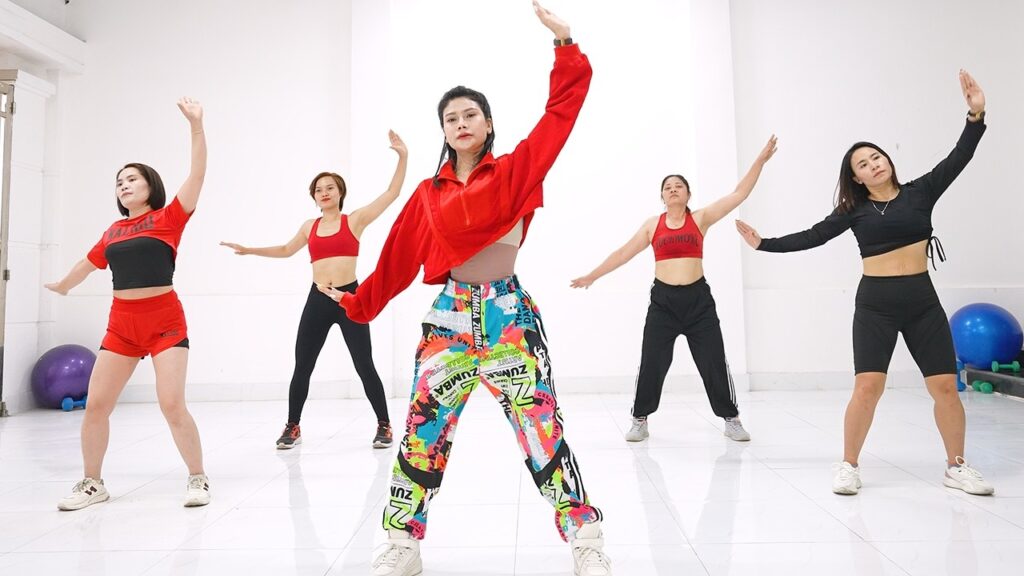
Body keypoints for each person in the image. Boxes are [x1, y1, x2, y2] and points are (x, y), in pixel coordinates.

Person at [319, 3, 610, 574]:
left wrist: (564, 44)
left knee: (541, 429)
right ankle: (401, 543)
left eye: (470, 114)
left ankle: (585, 537)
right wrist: (357, 302)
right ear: (444, 131)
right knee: (421, 432)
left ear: (488, 124)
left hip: (509, 316)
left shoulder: (516, 171)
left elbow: (561, 113)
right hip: (449, 320)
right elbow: (398, 258)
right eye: (450, 118)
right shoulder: (429, 195)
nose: (460, 123)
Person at [735, 70, 994, 496]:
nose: (874, 164)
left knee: (945, 386)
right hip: (876, 304)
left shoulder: (921, 192)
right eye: (863, 164)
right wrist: (764, 244)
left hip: (921, 301)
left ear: (887, 161)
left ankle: (957, 466)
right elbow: (815, 235)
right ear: (856, 177)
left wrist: (975, 114)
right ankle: (849, 465)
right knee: (868, 386)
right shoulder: (852, 210)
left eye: (876, 157)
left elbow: (959, 156)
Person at [45, 98, 211, 510]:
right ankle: (92, 483)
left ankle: (197, 477)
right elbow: (87, 263)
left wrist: (195, 126)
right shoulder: (114, 231)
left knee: (171, 404)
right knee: (96, 406)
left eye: (132, 178)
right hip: (122, 326)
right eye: (119, 181)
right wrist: (64, 285)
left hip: (164, 322)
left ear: (150, 185)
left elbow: (197, 173)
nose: (124, 185)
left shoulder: (169, 217)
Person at [571, 136, 778, 444]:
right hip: (663, 303)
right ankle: (640, 419)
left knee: (713, 360)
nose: (673, 189)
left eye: (678, 185)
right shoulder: (652, 225)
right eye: (667, 187)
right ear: (662, 196)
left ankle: (731, 419)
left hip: (698, 302)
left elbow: (739, 194)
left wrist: (759, 161)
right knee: (652, 362)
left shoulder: (701, 218)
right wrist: (593, 276)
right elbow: (623, 253)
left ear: (688, 194)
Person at [220, 131, 407, 450]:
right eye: (318, 189)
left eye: (329, 187)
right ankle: (292, 426)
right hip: (318, 299)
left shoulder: (355, 220)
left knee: (364, 364)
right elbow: (285, 249)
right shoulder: (310, 226)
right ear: (314, 196)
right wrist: (250, 250)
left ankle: (384, 425)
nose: (324, 193)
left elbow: (392, 193)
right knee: (303, 365)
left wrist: (402, 156)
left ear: (340, 192)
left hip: (350, 298)